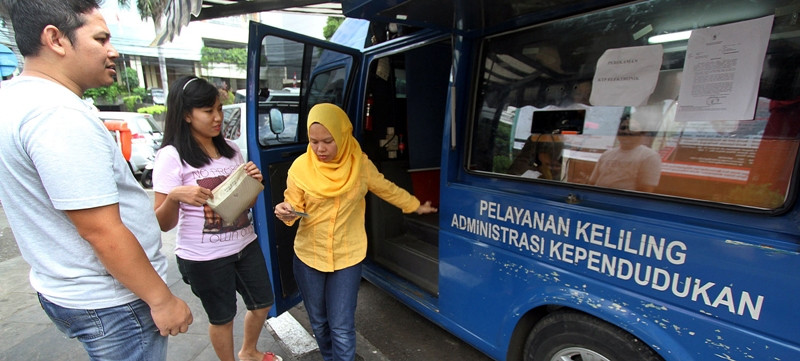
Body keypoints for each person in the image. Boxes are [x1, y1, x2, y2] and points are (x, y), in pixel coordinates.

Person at [0, 1, 193, 359]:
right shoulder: (56, 115)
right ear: (55, 39)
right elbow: (100, 230)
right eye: (101, 39)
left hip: (66, 288)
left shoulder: (13, 98)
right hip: (113, 300)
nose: (113, 51)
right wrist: (161, 299)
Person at [274, 103, 438, 361]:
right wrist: (286, 211)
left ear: (342, 135)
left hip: (347, 256)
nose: (320, 149)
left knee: (341, 327)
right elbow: (293, 204)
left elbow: (386, 188)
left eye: (328, 141)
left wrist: (415, 205)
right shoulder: (300, 167)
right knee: (319, 323)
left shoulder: (359, 165)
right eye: (314, 141)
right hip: (309, 256)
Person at [152, 75, 281, 361]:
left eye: (219, 109)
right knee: (222, 317)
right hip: (203, 257)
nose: (217, 117)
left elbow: (244, 204)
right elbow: (162, 223)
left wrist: (253, 185)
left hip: (245, 245)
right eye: (208, 111)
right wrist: (175, 196)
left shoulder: (231, 150)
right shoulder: (171, 157)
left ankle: (248, 351)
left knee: (262, 303)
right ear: (186, 114)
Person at [589, 113, 662, 192]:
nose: (626, 132)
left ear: (642, 132)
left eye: (632, 128)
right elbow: (592, 182)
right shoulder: (607, 154)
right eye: (623, 128)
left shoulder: (649, 156)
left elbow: (645, 191)